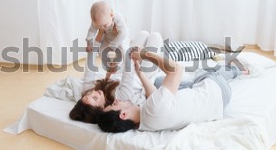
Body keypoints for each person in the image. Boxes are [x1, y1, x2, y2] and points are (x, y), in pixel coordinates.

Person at [97, 48, 245, 133]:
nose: (115, 100)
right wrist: (145, 54)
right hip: (217, 90)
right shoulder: (154, 107)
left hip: (214, 105)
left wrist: (140, 73)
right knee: (205, 73)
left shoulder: (143, 124)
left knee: (161, 82)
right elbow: (176, 69)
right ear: (123, 115)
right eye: (114, 105)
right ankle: (238, 70)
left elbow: (155, 97)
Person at [70, 31, 164, 124]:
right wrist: (141, 53)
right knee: (156, 36)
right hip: (142, 75)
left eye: (88, 95)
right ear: (102, 108)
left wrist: (99, 33)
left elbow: (90, 65)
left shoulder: (87, 92)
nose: (94, 92)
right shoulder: (119, 98)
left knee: (143, 34)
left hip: (125, 71)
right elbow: (129, 66)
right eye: (95, 98)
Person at [85, 1, 130, 80]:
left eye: (105, 25)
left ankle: (128, 68)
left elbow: (123, 33)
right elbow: (91, 31)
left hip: (120, 38)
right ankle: (110, 66)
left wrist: (113, 45)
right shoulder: (99, 22)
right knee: (100, 49)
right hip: (107, 37)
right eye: (99, 26)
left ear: (111, 15)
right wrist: (89, 43)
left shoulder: (118, 17)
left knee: (124, 51)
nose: (102, 28)